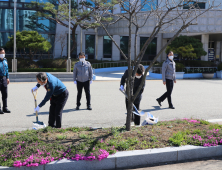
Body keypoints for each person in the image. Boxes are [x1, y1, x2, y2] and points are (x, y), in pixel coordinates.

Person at [0, 48, 10, 114]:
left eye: (3, 53)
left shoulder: (5, 60)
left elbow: (6, 70)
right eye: (1, 53)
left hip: (4, 79)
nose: (2, 54)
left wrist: (7, 78)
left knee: (5, 94)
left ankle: (5, 108)